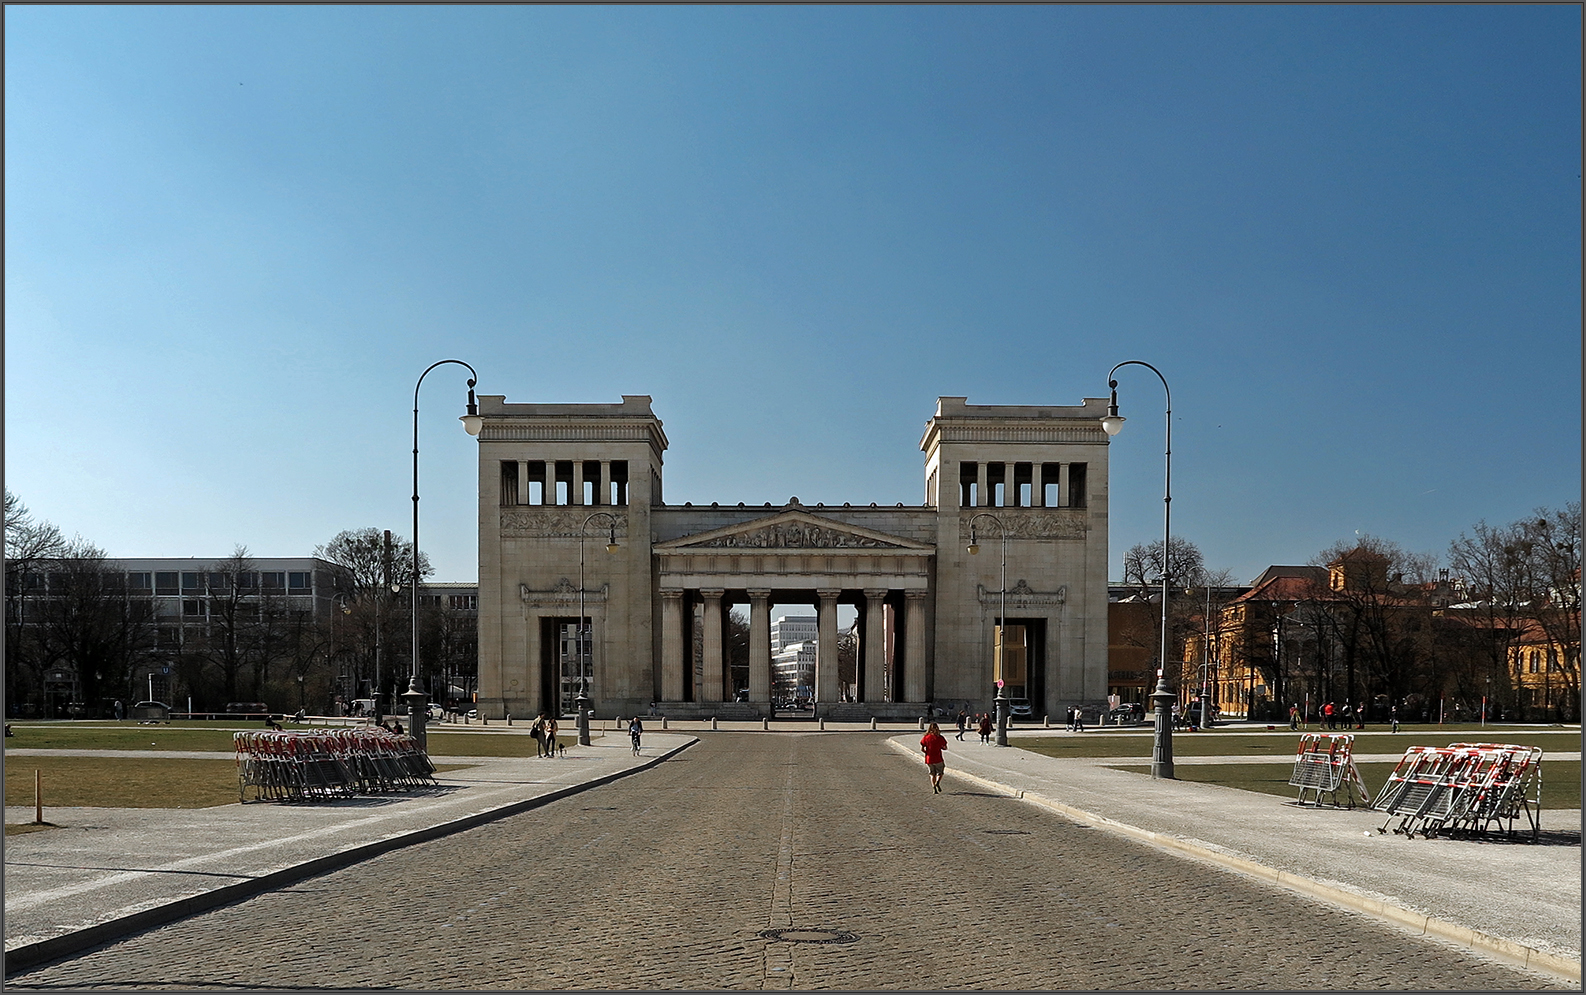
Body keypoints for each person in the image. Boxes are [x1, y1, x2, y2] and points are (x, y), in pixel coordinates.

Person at [920, 721, 948, 793]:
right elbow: (945, 747)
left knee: (932, 774)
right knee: (940, 772)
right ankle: (937, 782)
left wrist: (928, 753)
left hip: (929, 759)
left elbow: (922, 749)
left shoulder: (926, 737)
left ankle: (933, 787)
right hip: (938, 757)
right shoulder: (940, 738)